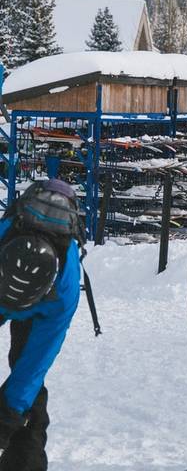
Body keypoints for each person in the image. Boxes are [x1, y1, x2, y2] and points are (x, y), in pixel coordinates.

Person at [0, 179, 84, 471]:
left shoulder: (64, 291)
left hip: (44, 310)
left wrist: (8, 416)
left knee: (26, 399)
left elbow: (34, 364)